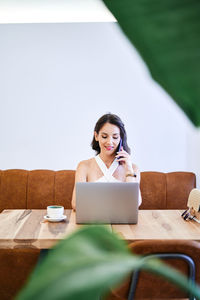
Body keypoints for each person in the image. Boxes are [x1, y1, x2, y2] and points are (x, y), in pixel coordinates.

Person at [71, 113, 141, 210]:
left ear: (121, 138)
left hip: (123, 224)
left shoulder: (133, 168)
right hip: (94, 222)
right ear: (96, 136)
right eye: (104, 136)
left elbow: (135, 203)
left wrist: (129, 170)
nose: (109, 142)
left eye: (115, 137)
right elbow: (76, 204)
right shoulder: (84, 166)